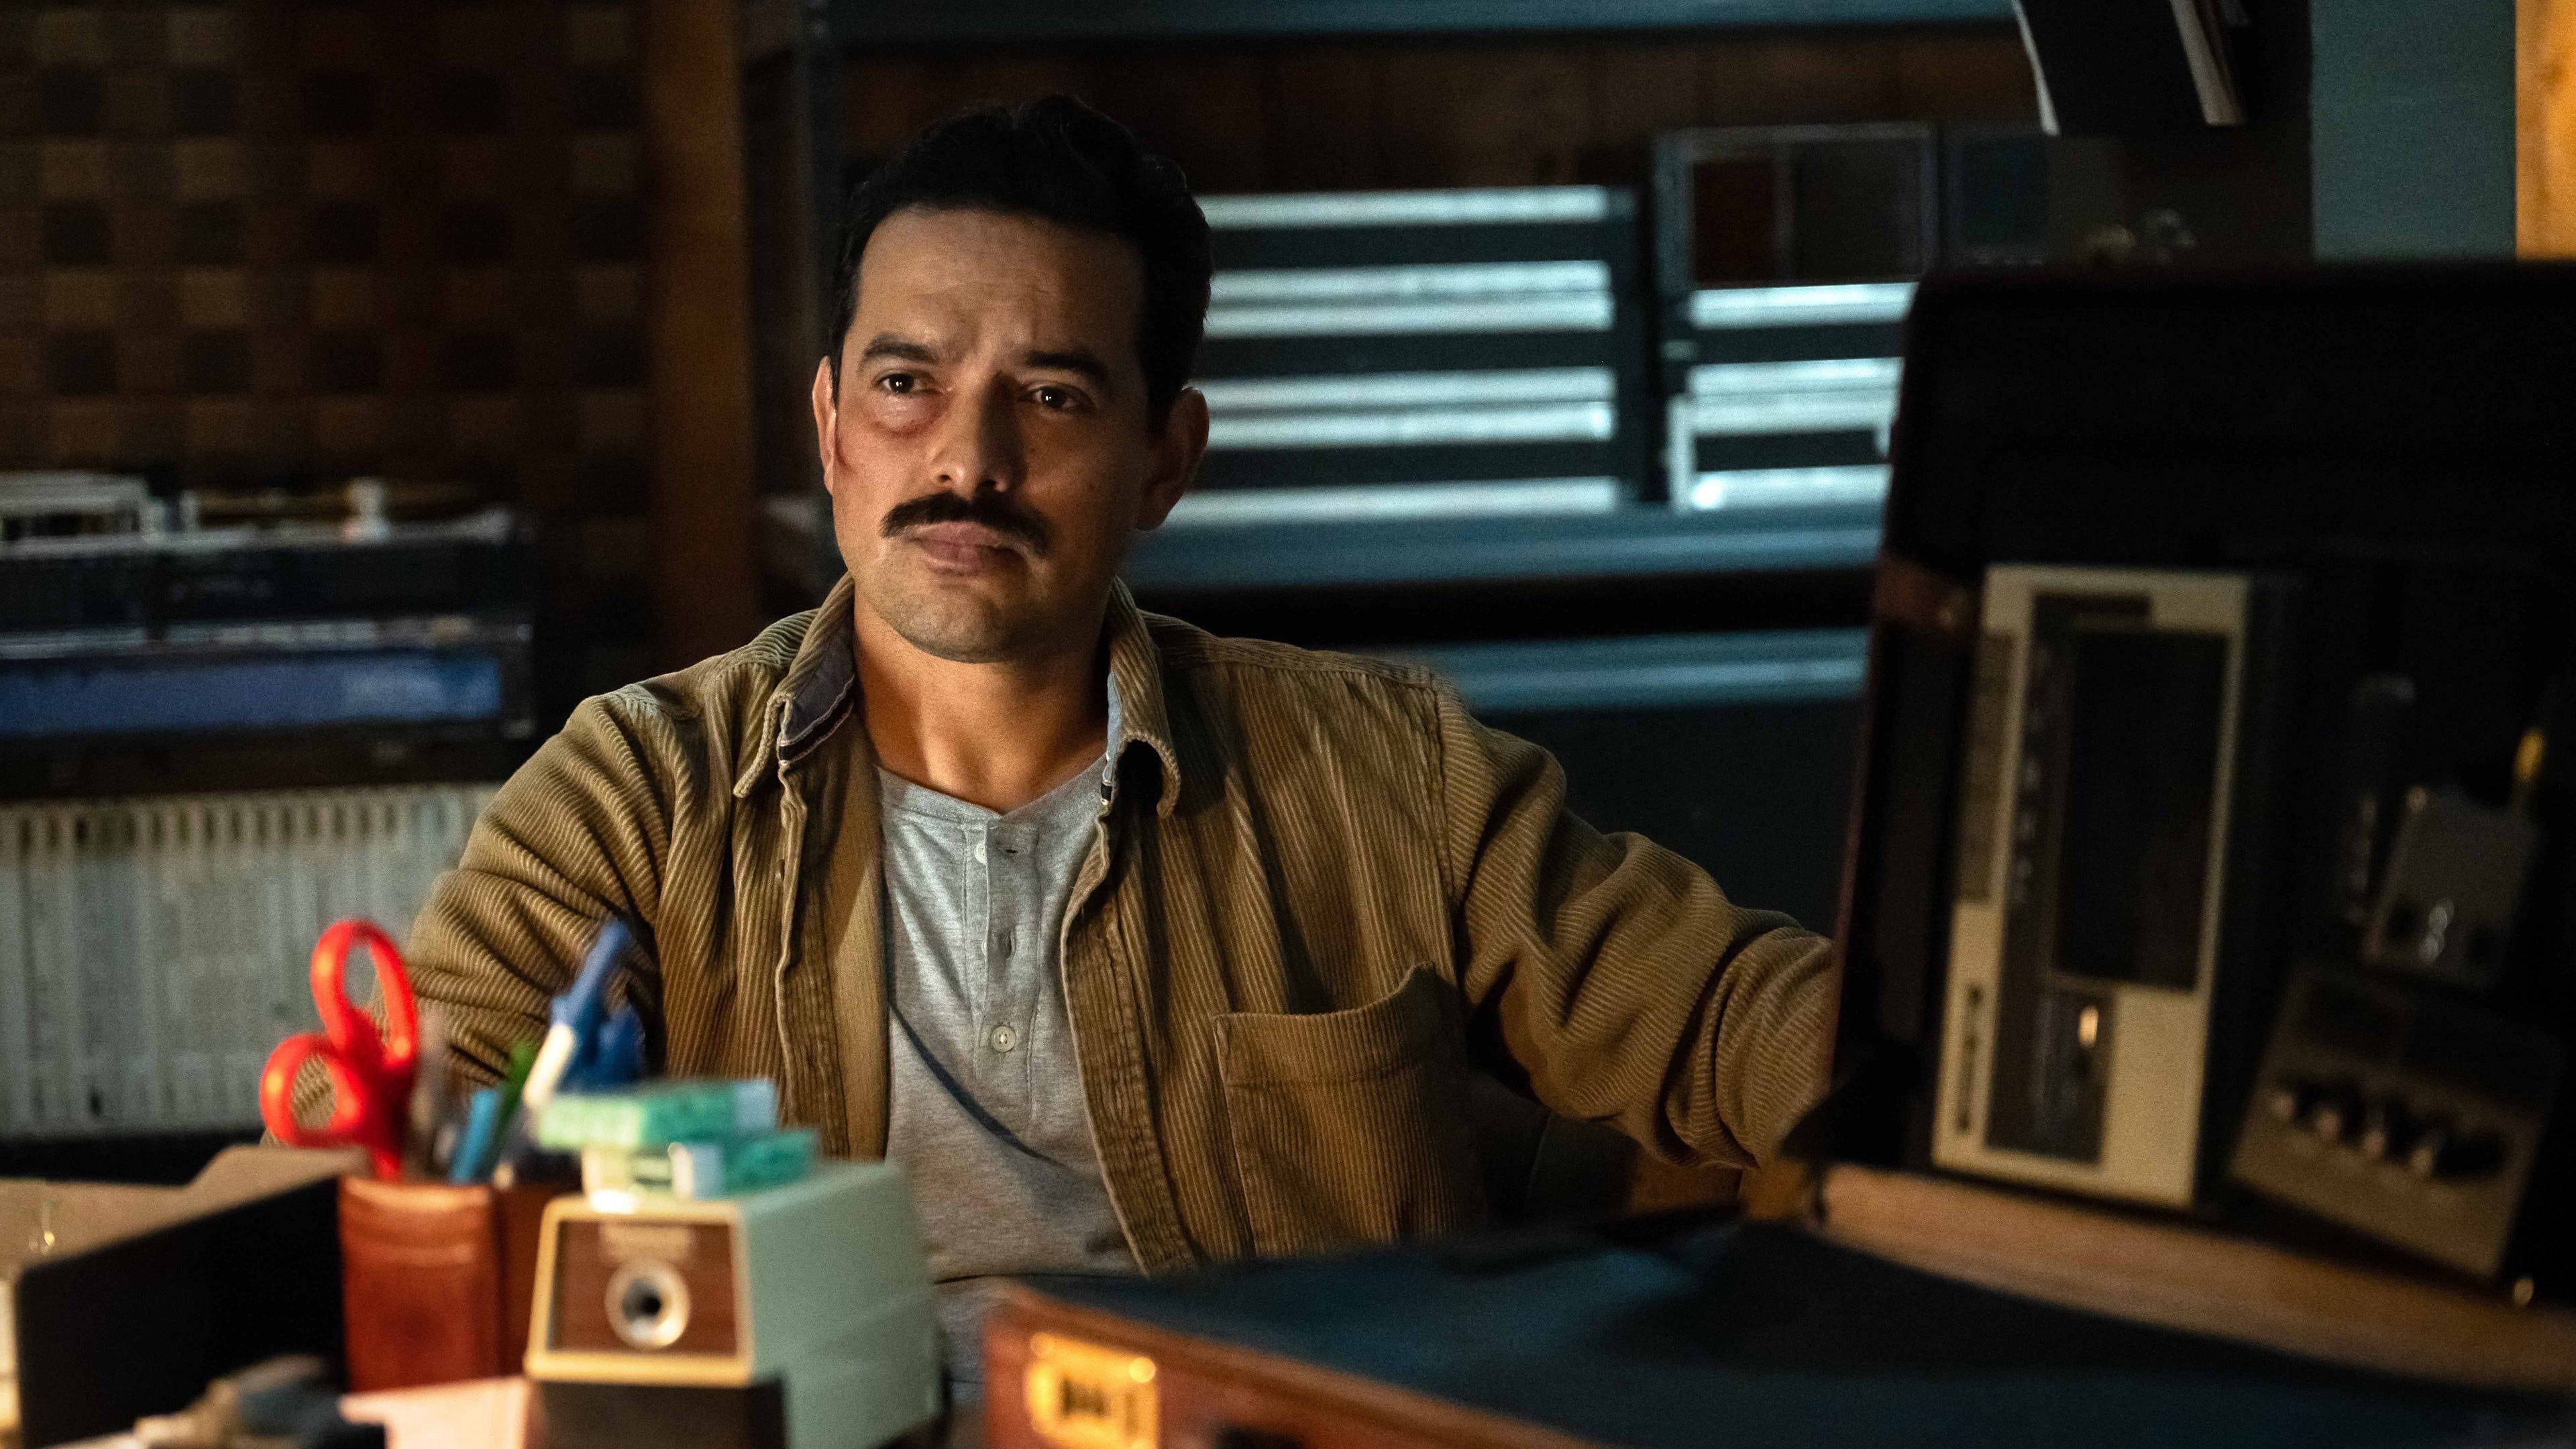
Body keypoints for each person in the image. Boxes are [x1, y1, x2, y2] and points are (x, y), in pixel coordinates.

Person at [400, 95, 1835, 1393]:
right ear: (832, 426)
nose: (967, 459)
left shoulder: (1384, 777)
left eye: (1052, 396)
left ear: (1164, 458)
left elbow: (1740, 1022)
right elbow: (426, 1136)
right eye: (904, 385)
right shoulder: (638, 795)